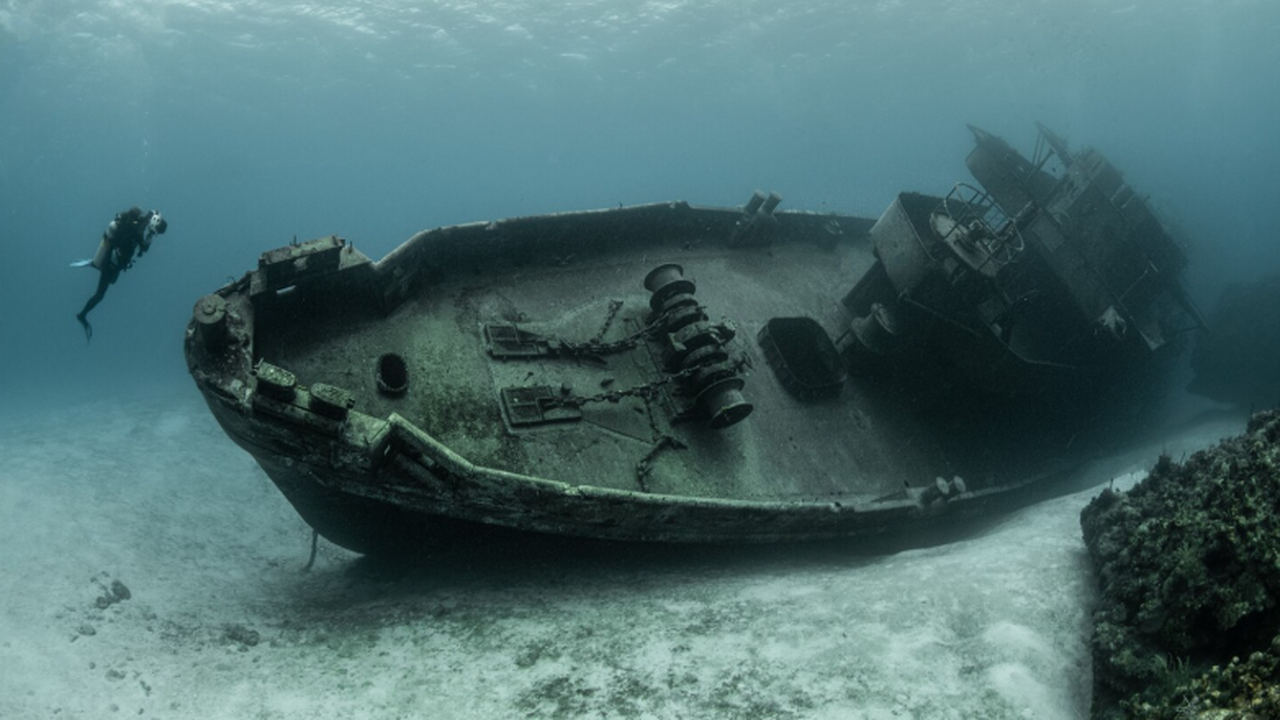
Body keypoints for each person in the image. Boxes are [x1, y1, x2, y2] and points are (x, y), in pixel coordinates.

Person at [73, 206, 169, 340]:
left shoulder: (138, 223)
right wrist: (149, 237)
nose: (155, 232)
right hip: (110, 264)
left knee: (112, 281)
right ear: (155, 223)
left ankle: (95, 263)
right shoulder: (137, 229)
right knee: (100, 295)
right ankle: (82, 315)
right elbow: (144, 247)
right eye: (156, 230)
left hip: (113, 262)